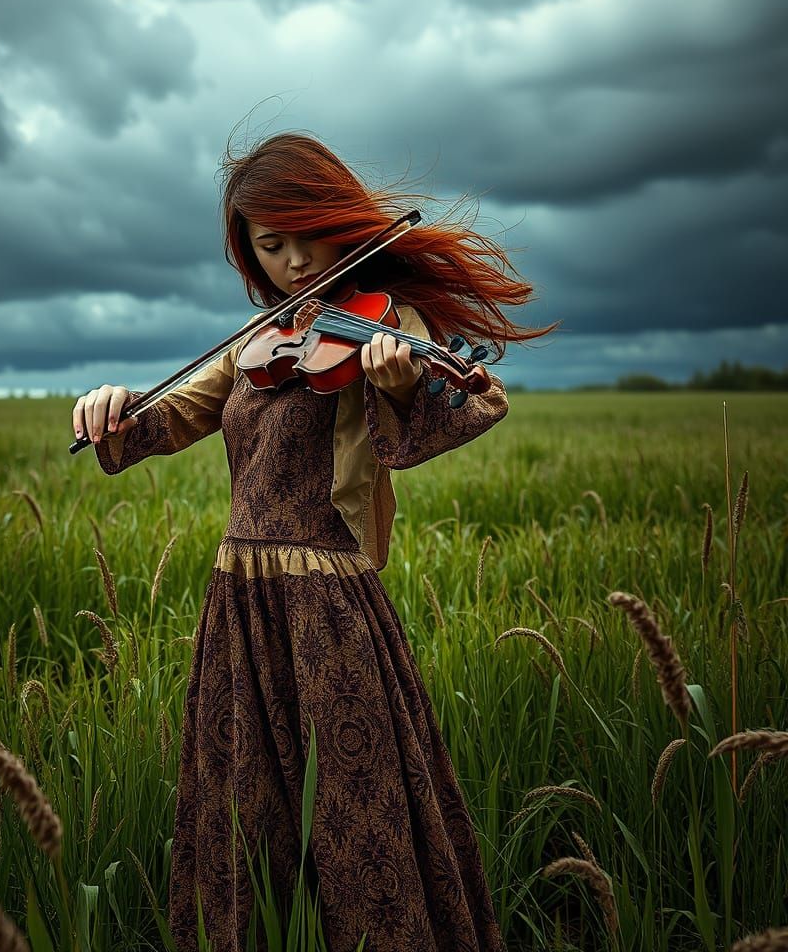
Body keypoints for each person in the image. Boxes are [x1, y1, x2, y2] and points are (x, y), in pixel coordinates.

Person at [72, 132, 557, 952]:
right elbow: (173, 413)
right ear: (249, 251)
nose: (296, 262)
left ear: (340, 224)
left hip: (328, 602)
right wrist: (111, 408)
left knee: (352, 810)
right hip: (241, 600)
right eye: (272, 244)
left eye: (308, 234)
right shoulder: (262, 338)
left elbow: (463, 408)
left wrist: (398, 388)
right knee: (245, 808)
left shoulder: (387, 325)